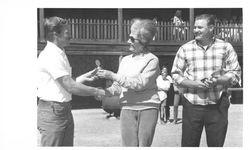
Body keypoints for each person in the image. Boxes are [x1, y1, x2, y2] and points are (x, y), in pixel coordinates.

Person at [171, 14, 241, 147]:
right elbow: (175, 75)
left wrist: (218, 80)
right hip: (192, 104)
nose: (195, 30)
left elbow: (236, 73)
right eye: (195, 27)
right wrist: (195, 84)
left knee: (216, 145)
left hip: (218, 104)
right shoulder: (185, 49)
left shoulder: (225, 47)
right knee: (189, 145)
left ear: (211, 28)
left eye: (199, 27)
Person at [37, 16, 105, 146]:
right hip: (53, 112)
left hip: (62, 110)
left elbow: (62, 83)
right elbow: (69, 86)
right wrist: (97, 91)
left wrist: (83, 78)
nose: (71, 36)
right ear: (56, 34)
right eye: (67, 32)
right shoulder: (51, 55)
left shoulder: (59, 52)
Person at [95, 18, 160, 146]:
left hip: (148, 107)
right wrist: (103, 92)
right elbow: (118, 86)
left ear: (143, 41)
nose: (128, 41)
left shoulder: (152, 60)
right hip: (127, 108)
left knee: (143, 146)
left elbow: (139, 84)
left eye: (132, 38)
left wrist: (112, 75)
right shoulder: (125, 60)